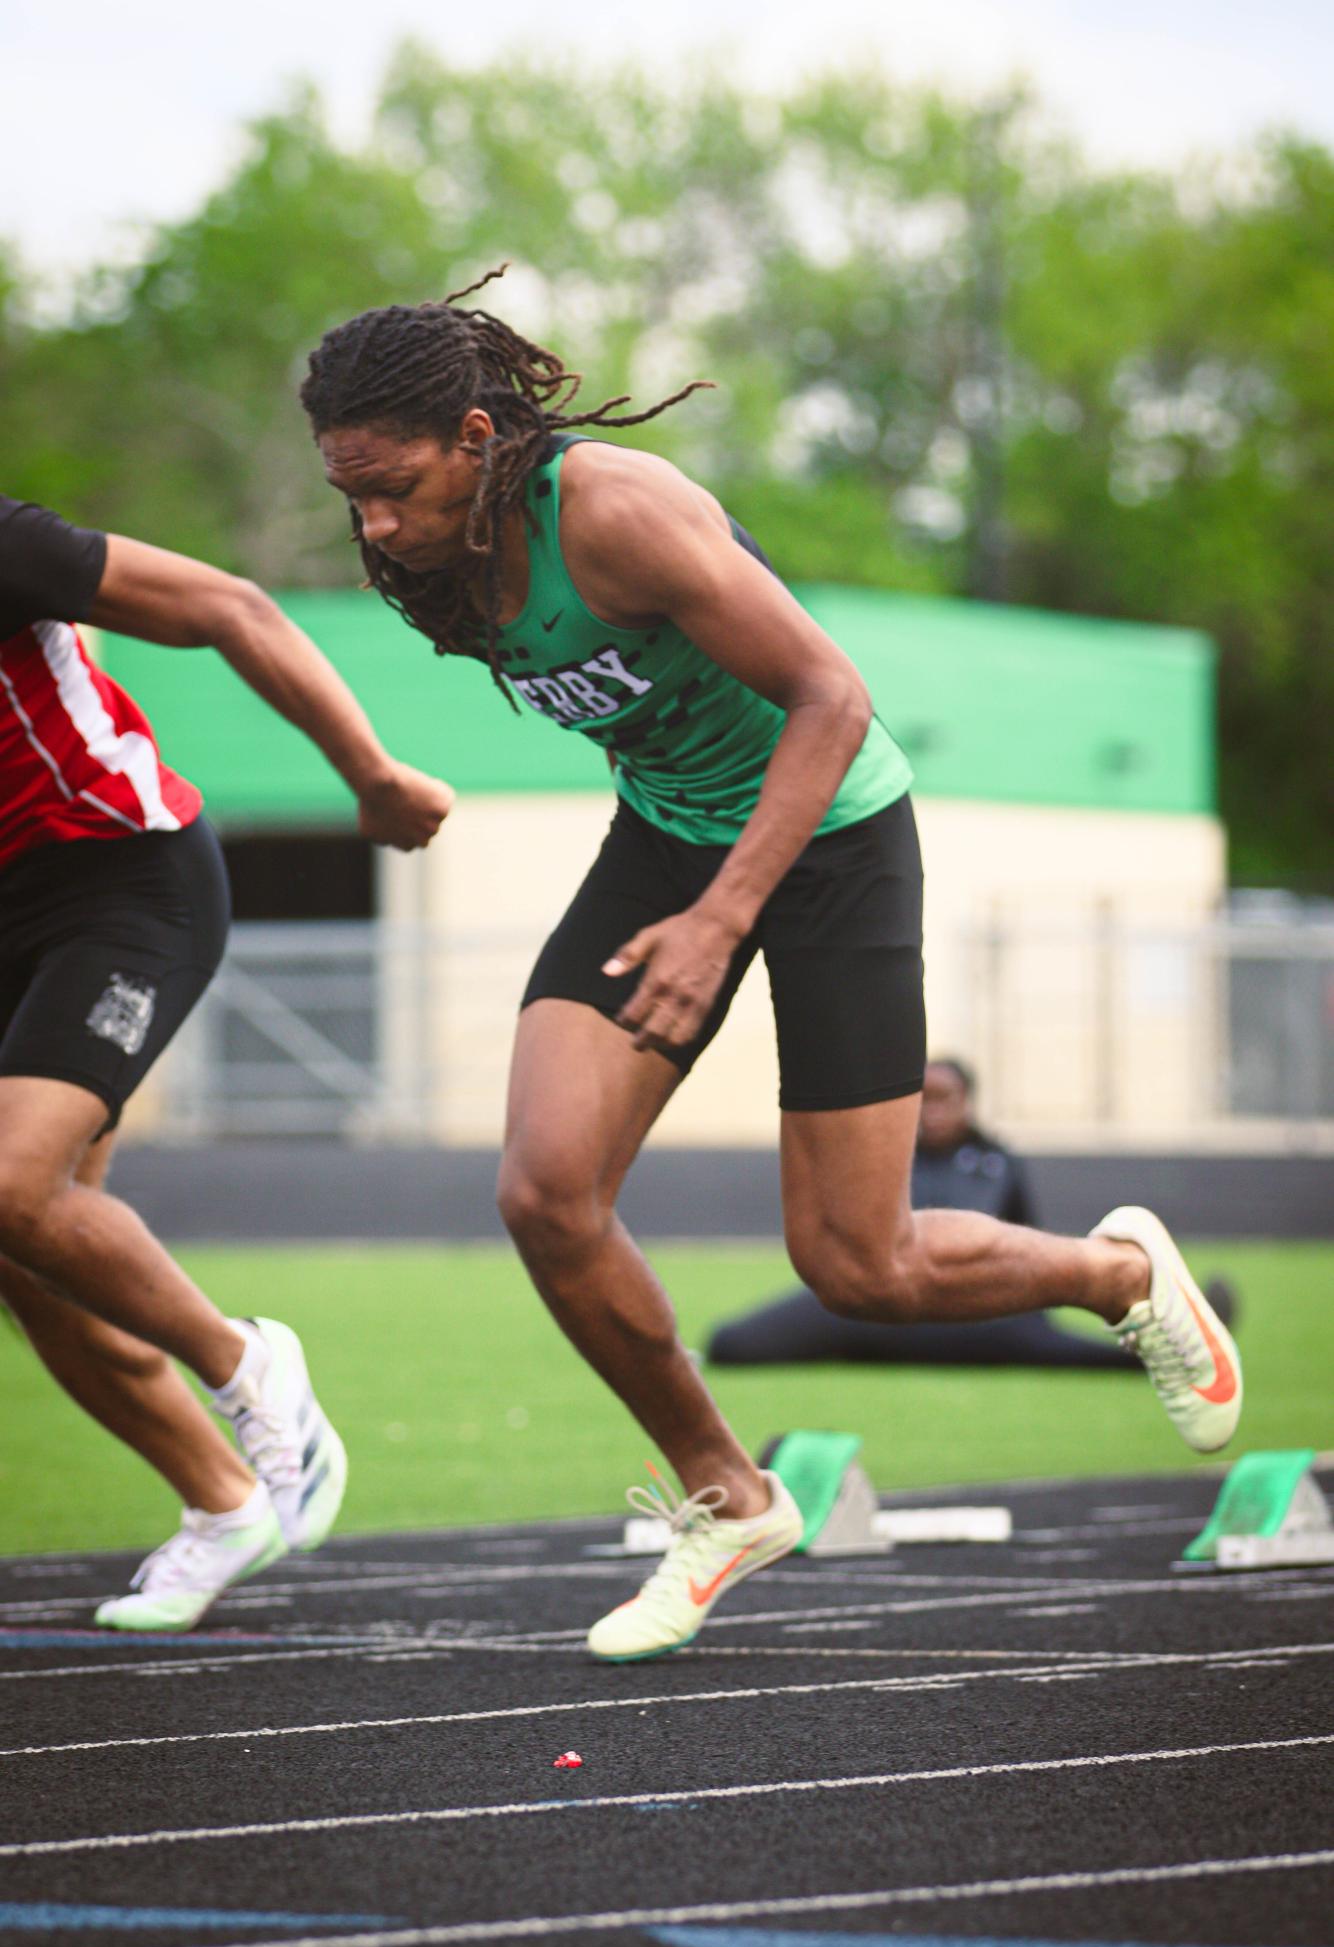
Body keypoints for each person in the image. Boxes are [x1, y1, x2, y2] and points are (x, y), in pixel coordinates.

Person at [299, 269, 1243, 1664]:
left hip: (832, 832)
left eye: (392, 487)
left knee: (860, 1266)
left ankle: (1116, 1277)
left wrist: (720, 917)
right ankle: (726, 1495)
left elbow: (830, 695)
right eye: (349, 495)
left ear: (482, 441)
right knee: (545, 1193)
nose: (374, 524)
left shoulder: (617, 511)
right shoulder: (421, 552)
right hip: (670, 836)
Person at [0, 496, 454, 1630]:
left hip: (119, 878)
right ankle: (223, 1504)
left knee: (12, 1185)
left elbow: (227, 604)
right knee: (29, 1254)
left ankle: (250, 1364)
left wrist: (373, 775)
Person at [708, 1057, 1235, 1365]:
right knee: (731, 1344)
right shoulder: (882, 1154)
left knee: (1069, 1352)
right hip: (874, 1304)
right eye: (923, 1099)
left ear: (968, 1102)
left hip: (977, 1311)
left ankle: (1183, 1332)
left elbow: (1028, 1243)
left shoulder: (996, 1160)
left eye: (944, 1099)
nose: (932, 1112)